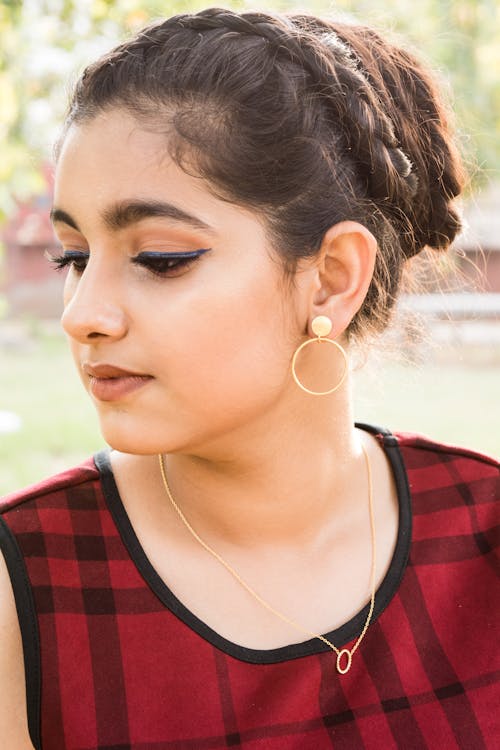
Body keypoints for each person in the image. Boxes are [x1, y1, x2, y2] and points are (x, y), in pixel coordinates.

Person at [0, 7, 498, 749]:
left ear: (331, 278)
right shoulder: (25, 582)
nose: (83, 314)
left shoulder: (484, 533)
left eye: (160, 258)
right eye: (72, 257)